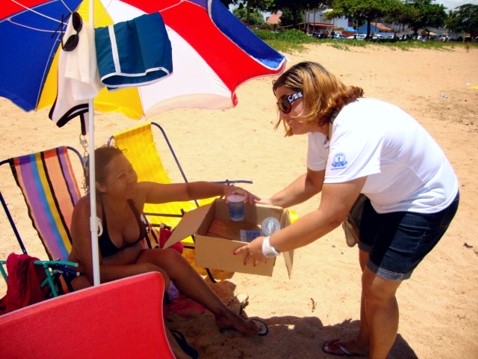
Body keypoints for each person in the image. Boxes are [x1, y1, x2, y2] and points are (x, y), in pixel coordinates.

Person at [234, 61, 459, 358]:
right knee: (367, 269)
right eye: (279, 104)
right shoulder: (320, 126)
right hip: (380, 194)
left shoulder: (353, 127)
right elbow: (315, 180)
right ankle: (364, 342)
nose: (282, 113)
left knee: (378, 288)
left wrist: (268, 246)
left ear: (314, 93)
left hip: (423, 200)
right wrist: (269, 204)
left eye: (287, 101)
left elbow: (330, 215)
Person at [68, 146, 266, 358]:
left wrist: (224, 190)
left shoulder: (137, 194)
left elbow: (186, 191)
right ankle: (174, 350)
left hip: (135, 266)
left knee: (170, 258)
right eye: (121, 176)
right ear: (101, 185)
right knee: (148, 278)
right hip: (95, 282)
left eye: (130, 169)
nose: (131, 178)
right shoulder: (87, 212)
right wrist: (145, 271)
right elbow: (93, 271)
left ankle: (224, 314)